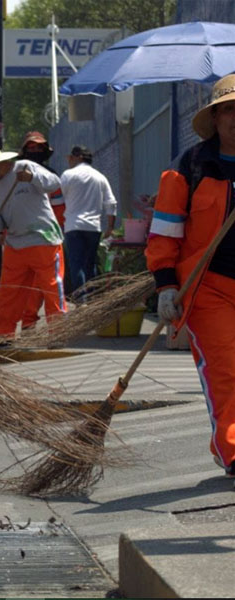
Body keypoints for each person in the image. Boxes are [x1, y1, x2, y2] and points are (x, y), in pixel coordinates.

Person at [147, 73, 235, 480]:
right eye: (228, 110)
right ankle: (234, 451)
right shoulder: (190, 167)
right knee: (225, 368)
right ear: (215, 118)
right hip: (209, 287)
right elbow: (164, 232)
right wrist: (166, 285)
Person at [0, 140, 65, 342]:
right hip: (15, 244)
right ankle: (5, 335)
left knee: (51, 289)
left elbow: (55, 182)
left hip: (43, 239)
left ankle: (58, 334)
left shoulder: (25, 167)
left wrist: (32, 178)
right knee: (9, 292)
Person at [18, 131, 64, 328]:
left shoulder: (51, 177)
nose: (34, 150)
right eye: (31, 147)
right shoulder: (14, 175)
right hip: (20, 238)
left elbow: (60, 209)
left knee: (50, 285)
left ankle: (56, 328)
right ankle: (28, 323)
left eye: (38, 147)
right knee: (27, 286)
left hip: (47, 238)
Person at [60, 145, 117, 293]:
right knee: (90, 264)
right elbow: (111, 203)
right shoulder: (100, 177)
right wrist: (110, 227)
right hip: (93, 227)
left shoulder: (68, 175)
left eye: (71, 158)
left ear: (77, 157)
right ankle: (92, 300)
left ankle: (81, 301)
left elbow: (60, 199)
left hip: (74, 226)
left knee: (76, 265)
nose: (70, 161)